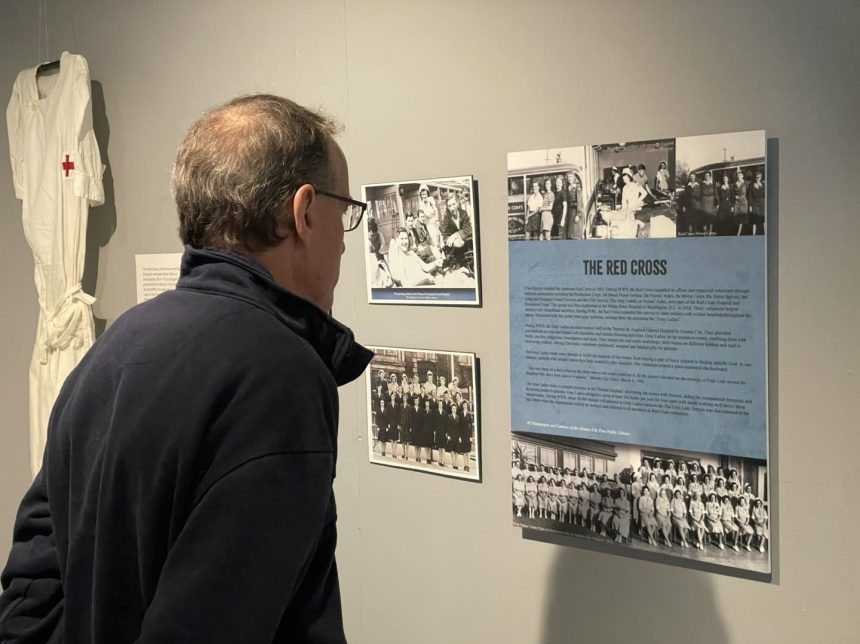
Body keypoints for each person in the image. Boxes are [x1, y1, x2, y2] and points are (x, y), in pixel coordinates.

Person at [0, 95, 373, 642]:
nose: (344, 240)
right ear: (305, 211)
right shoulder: (279, 375)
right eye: (345, 213)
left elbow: (34, 577)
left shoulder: (118, 342)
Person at [417, 183, 441, 249]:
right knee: (433, 240)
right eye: (422, 195)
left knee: (439, 238)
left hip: (435, 222)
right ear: (421, 195)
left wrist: (437, 220)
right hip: (429, 224)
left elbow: (435, 211)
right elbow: (421, 216)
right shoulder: (421, 204)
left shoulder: (431, 199)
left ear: (427, 193)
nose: (424, 196)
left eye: (425, 194)